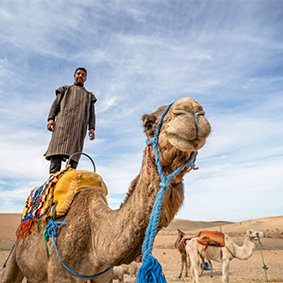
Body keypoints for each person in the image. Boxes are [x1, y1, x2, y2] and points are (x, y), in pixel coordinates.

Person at [44, 67, 96, 174]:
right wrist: (50, 119)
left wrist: (91, 128)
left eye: (83, 75)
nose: (80, 76)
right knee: (56, 152)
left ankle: (68, 182)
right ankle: (53, 181)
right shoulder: (65, 89)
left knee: (74, 158)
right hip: (62, 126)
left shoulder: (89, 96)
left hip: (78, 130)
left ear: (85, 78)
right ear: (74, 76)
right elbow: (55, 105)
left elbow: (92, 114)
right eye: (78, 74)